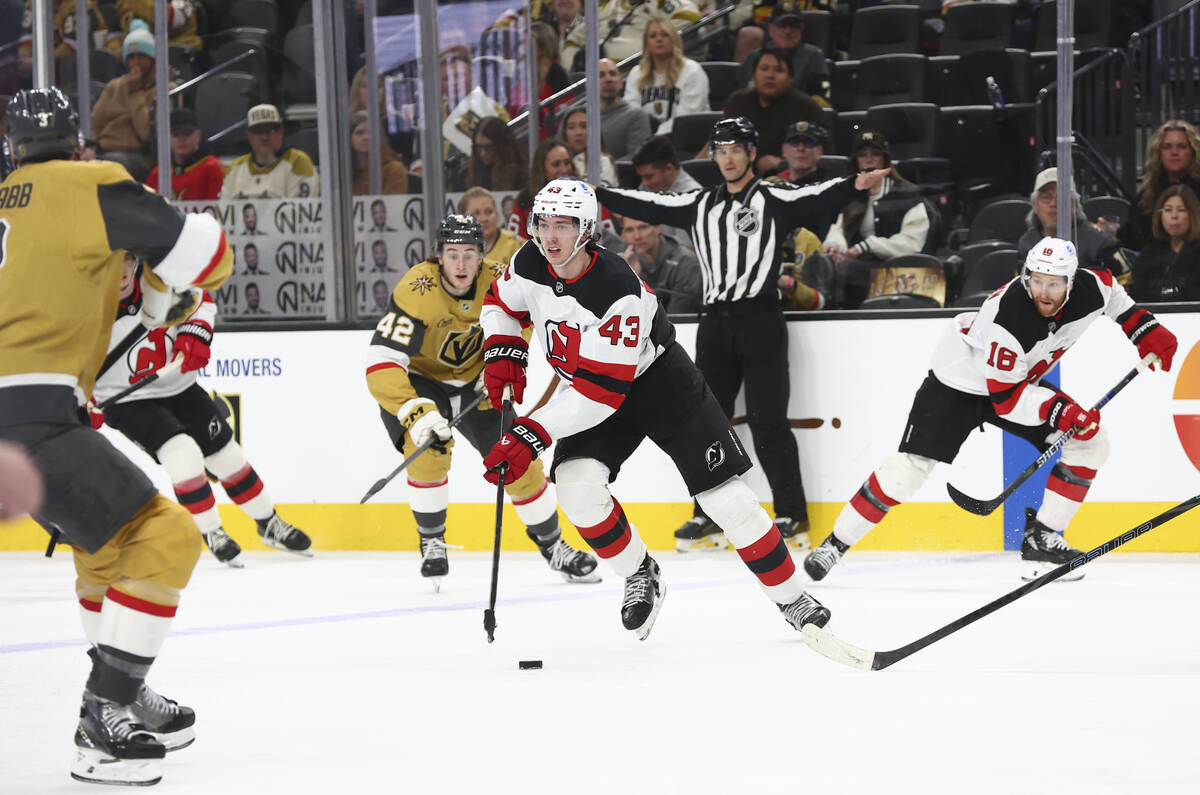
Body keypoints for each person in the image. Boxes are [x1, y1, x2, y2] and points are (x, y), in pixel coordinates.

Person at [479, 178, 833, 640]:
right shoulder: (529, 262)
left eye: (562, 225)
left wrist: (528, 433)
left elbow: (599, 395)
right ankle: (639, 572)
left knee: (728, 500)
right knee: (577, 487)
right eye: (542, 223)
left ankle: (792, 597)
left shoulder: (616, 288)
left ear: (586, 230)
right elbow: (499, 303)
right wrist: (503, 351)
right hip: (592, 390)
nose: (549, 236)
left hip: (661, 385)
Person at [0, 87, 232, 786]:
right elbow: (210, 255)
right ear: (77, 143)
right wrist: (166, 283)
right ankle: (106, 710)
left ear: (11, 148)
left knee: (105, 549)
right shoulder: (92, 182)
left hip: (31, 410)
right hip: (30, 412)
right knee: (169, 535)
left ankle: (122, 690)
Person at [803, 237, 1179, 583]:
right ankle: (834, 545)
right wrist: (1062, 411)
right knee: (908, 471)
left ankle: (1043, 540)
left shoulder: (1092, 286)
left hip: (1014, 380)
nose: (1043, 292)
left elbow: (1114, 296)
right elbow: (1009, 401)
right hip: (958, 384)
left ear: (1071, 281)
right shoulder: (1008, 316)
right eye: (1037, 281)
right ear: (1026, 276)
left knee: (1091, 444)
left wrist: (1143, 329)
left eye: (1054, 283)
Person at [595, 117, 888, 551]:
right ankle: (708, 515)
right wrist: (596, 193)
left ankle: (791, 514)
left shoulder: (772, 197)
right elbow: (646, 204)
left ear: (751, 153)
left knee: (770, 421)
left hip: (761, 320)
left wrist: (855, 184)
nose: (728, 157)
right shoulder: (699, 203)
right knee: (703, 423)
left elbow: (815, 194)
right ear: (713, 156)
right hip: (715, 325)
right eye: (721, 150)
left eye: (736, 149)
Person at [365, 214, 600, 589]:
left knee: (517, 458)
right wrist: (416, 412)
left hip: (481, 384)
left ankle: (554, 545)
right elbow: (382, 362)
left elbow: (524, 321)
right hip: (426, 383)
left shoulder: (500, 279)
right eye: (452, 254)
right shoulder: (417, 288)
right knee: (428, 449)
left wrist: (497, 363)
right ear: (438, 256)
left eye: (470, 254)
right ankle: (431, 540)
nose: (461, 264)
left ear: (482, 254)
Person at [93, 255, 314, 567]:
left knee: (227, 456)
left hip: (178, 386)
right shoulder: (84, 305)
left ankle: (269, 523)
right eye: (112, 263)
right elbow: (62, 358)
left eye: (127, 260)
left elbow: (200, 299)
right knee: (182, 454)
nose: (122, 271)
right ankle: (212, 531)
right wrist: (78, 399)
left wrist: (194, 334)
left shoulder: (159, 277)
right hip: (125, 401)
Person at [823, 130, 935, 306]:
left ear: (885, 159)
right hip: (860, 270)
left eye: (875, 154)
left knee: (845, 271)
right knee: (826, 266)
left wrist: (867, 246)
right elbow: (837, 230)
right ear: (856, 161)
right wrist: (835, 248)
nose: (869, 159)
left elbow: (912, 244)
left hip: (903, 272)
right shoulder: (849, 196)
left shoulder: (907, 195)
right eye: (862, 155)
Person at [1017, 167, 1132, 285]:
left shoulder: (1103, 245)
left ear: (1075, 204)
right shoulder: (1026, 244)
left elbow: (1124, 292)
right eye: (1046, 197)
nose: (1054, 203)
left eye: (1062, 197)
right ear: (1035, 206)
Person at [89, 20, 173, 181]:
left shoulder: (164, 89)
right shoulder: (114, 86)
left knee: (113, 166)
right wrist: (90, 148)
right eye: (131, 57)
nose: (136, 62)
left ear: (153, 59)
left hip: (137, 155)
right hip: (104, 151)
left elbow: (146, 134)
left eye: (142, 56)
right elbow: (94, 124)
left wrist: (135, 92)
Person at [722, 46, 822, 174]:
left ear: (790, 79)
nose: (770, 75)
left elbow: (823, 156)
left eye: (779, 70)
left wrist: (782, 164)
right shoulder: (738, 102)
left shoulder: (807, 107)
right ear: (753, 76)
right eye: (764, 69)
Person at [622, 12, 711, 135]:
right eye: (653, 36)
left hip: (687, 141)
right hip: (646, 142)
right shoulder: (637, 73)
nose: (659, 39)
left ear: (674, 39)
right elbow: (632, 114)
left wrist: (657, 137)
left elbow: (687, 118)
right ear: (646, 43)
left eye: (665, 35)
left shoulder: (692, 71)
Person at [1121, 120, 1200, 251]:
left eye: (1181, 146)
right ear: (1158, 152)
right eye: (1167, 147)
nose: (1174, 152)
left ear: (1192, 151)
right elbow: (1132, 235)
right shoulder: (1149, 191)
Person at [735, 3, 830, 106]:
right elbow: (741, 95)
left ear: (801, 29)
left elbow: (821, 98)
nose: (788, 31)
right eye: (782, 25)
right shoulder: (755, 57)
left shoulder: (813, 55)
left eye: (794, 25)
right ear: (771, 29)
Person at [220, 104, 320, 199]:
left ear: (281, 131)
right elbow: (224, 213)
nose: (264, 137)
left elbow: (300, 214)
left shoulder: (298, 162)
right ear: (248, 135)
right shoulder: (235, 168)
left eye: (271, 130)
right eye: (258, 131)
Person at [617, 214, 702, 314]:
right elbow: (619, 315)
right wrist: (632, 277)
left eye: (643, 228)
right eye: (629, 230)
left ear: (657, 228)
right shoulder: (621, 262)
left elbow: (677, 317)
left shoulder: (686, 262)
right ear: (623, 235)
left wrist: (637, 283)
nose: (637, 236)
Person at [1129, 184, 1200, 302]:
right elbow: (1138, 296)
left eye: (1181, 210)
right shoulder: (1149, 253)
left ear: (1193, 214)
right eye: (1168, 210)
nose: (1174, 216)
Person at [145, 108, 223, 200]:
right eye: (176, 134)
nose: (181, 139)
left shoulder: (214, 168)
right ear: (167, 138)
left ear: (198, 135)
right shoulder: (158, 173)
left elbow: (217, 210)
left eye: (187, 133)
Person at [507, 138, 575, 238]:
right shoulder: (526, 198)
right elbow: (515, 241)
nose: (564, 169)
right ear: (542, 168)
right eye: (556, 164)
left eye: (567, 162)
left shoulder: (585, 193)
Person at [597, 58, 652, 161]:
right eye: (601, 75)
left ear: (621, 82)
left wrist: (606, 169)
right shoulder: (580, 115)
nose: (608, 79)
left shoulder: (636, 116)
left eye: (613, 74)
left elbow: (636, 158)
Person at [458, 116, 527, 192]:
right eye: (479, 147)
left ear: (502, 147)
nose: (483, 153)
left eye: (488, 148)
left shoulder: (520, 176)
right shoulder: (466, 175)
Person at [460, 186, 524, 266]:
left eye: (489, 212)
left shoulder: (517, 246)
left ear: (497, 215)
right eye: (476, 213)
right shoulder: (453, 249)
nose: (483, 219)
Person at [350, 111, 409, 195]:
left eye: (371, 132)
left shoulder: (394, 170)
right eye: (359, 132)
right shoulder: (343, 173)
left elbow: (393, 206)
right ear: (349, 138)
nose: (367, 137)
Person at [559, 105, 618, 186]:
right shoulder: (557, 162)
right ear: (564, 132)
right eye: (571, 127)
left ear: (595, 130)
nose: (578, 133)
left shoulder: (603, 161)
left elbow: (601, 194)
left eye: (584, 126)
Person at [776, 120, 832, 187]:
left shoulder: (829, 186)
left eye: (808, 143)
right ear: (784, 150)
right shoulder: (773, 184)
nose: (801, 148)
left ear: (819, 151)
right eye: (794, 142)